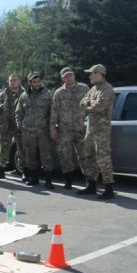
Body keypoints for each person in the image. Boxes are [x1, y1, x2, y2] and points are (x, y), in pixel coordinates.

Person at [78, 64, 116, 199]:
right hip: (91, 129)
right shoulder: (93, 89)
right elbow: (81, 103)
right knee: (89, 156)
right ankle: (91, 185)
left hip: (102, 130)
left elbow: (99, 107)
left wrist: (89, 104)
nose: (90, 76)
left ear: (99, 74)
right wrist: (89, 103)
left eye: (92, 73)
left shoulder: (108, 89)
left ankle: (109, 189)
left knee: (103, 158)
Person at [50, 67, 89, 189]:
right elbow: (54, 111)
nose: (69, 78)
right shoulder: (59, 93)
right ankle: (68, 180)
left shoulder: (84, 88)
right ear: (62, 79)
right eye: (66, 76)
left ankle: (89, 181)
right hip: (64, 129)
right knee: (65, 155)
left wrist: (89, 123)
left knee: (84, 154)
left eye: (70, 75)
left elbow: (91, 106)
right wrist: (53, 128)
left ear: (74, 75)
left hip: (81, 128)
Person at [15, 71, 55, 189]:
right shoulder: (23, 96)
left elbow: (53, 112)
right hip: (28, 131)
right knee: (29, 156)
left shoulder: (47, 94)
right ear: (29, 82)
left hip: (43, 131)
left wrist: (52, 127)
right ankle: (34, 178)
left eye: (38, 81)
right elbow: (18, 113)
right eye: (34, 82)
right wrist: (20, 125)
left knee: (46, 156)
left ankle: (48, 180)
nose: (37, 83)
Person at [0, 74, 24, 179]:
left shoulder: (25, 94)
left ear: (19, 81)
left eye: (15, 80)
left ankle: (24, 171)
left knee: (21, 149)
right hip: (5, 126)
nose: (12, 82)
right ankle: (1, 171)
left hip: (19, 127)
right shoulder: (3, 94)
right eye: (11, 80)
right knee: (3, 148)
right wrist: (0, 106)